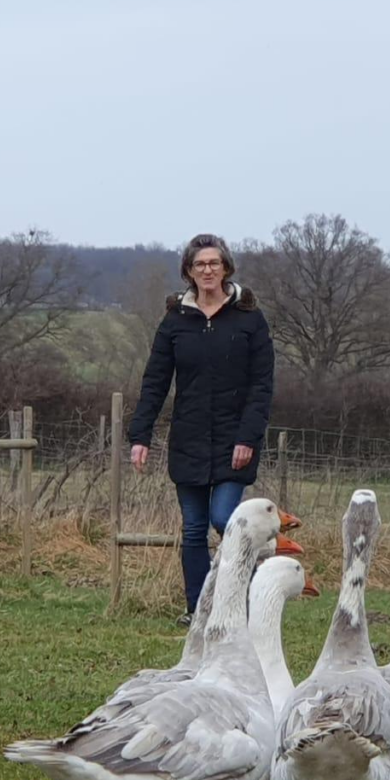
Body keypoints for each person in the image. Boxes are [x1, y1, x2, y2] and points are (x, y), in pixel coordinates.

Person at [128, 234, 275, 623]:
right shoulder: (176, 320)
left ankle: (251, 589)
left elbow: (262, 385)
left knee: (225, 520)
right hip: (188, 439)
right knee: (193, 530)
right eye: (199, 265)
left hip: (235, 440)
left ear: (226, 267)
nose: (207, 270)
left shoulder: (249, 319)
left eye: (214, 263)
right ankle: (197, 610)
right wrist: (140, 435)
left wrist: (248, 437)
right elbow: (156, 380)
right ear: (189, 272)